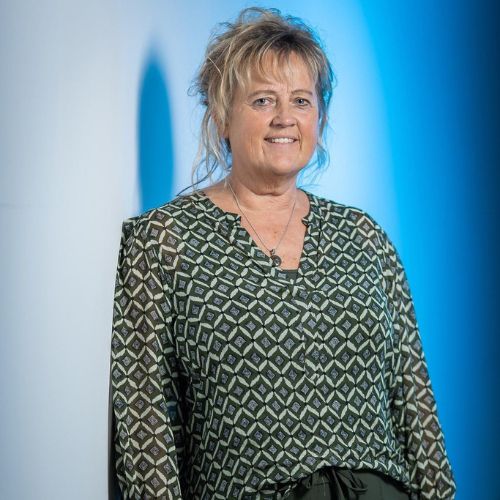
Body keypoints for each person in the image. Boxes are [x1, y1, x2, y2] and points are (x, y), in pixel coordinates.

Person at [109, 7, 456, 500]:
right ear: (222, 115)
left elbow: (415, 406)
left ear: (320, 117)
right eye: (263, 100)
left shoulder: (364, 237)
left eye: (301, 100)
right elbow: (146, 423)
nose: (284, 118)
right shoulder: (164, 241)